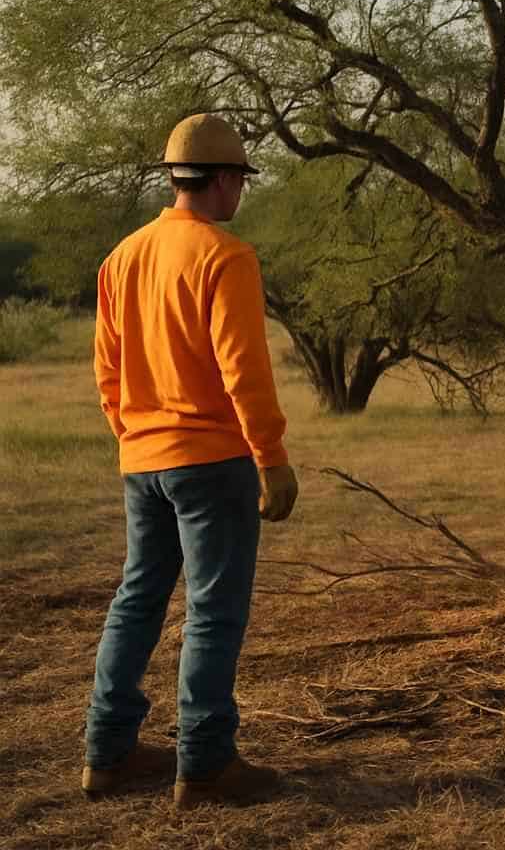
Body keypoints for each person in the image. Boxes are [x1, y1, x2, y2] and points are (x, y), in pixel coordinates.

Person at [81, 113, 300, 810]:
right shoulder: (224, 255)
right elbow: (244, 372)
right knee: (213, 609)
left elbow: (106, 370)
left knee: (137, 600)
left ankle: (108, 754)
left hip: (141, 462)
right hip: (212, 461)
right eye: (241, 179)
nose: (241, 194)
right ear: (225, 179)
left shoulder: (123, 257)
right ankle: (204, 765)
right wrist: (271, 458)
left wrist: (137, 437)